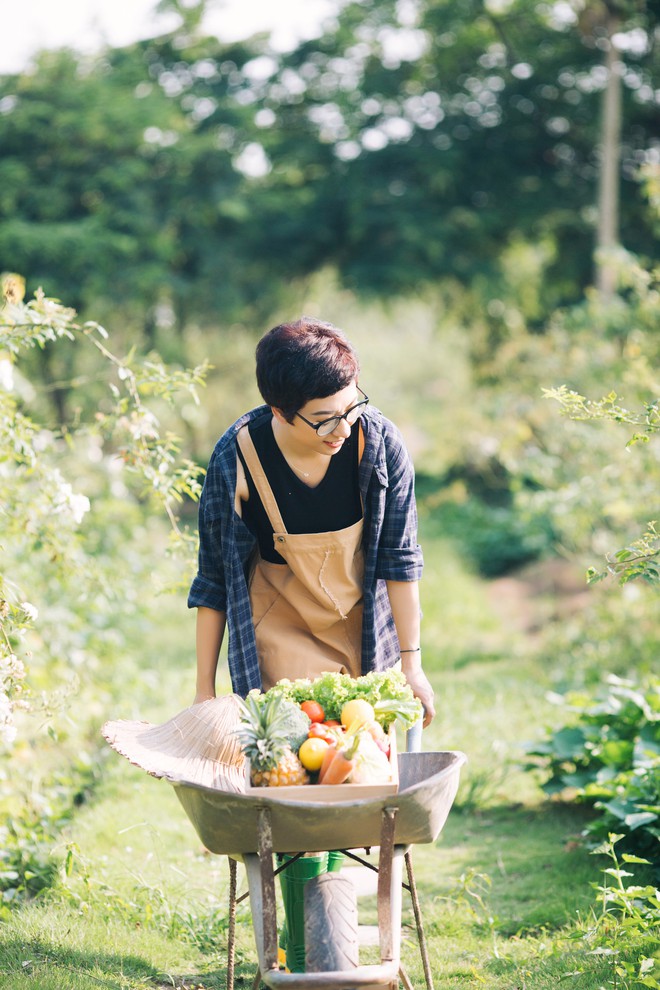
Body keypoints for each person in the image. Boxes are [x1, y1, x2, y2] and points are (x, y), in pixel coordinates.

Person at [188, 316, 435, 725]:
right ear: (280, 412)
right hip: (282, 628)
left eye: (351, 407)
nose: (342, 428)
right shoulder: (237, 458)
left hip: (365, 627)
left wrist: (412, 665)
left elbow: (400, 558)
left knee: (363, 758)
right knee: (297, 759)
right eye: (323, 418)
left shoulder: (380, 445)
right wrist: (203, 692)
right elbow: (214, 577)